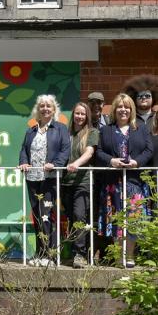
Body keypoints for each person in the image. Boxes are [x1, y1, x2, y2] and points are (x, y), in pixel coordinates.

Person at [96, 93, 153, 267]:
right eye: (120, 107)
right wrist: (111, 161)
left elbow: (149, 150)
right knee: (116, 219)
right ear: (114, 109)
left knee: (133, 219)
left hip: (134, 182)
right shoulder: (106, 130)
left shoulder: (140, 128)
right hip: (113, 183)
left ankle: (130, 256)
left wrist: (137, 162)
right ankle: (119, 257)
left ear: (132, 110)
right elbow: (99, 151)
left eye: (127, 107)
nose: (123, 110)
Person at [19, 95, 72, 267]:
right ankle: (39, 253)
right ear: (38, 110)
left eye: (49, 106)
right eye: (42, 106)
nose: (45, 109)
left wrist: (55, 164)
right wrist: (23, 162)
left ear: (54, 109)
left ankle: (48, 255)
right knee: (36, 215)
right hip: (33, 178)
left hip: (49, 178)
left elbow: (65, 150)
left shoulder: (61, 128)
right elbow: (23, 150)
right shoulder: (31, 131)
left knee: (46, 215)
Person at [60, 101, 98, 268]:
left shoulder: (92, 132)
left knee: (79, 215)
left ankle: (80, 254)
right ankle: (73, 251)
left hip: (82, 181)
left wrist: (77, 163)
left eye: (83, 114)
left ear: (87, 116)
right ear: (73, 114)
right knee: (70, 218)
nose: (80, 116)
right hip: (65, 182)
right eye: (77, 113)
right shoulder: (65, 132)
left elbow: (89, 152)